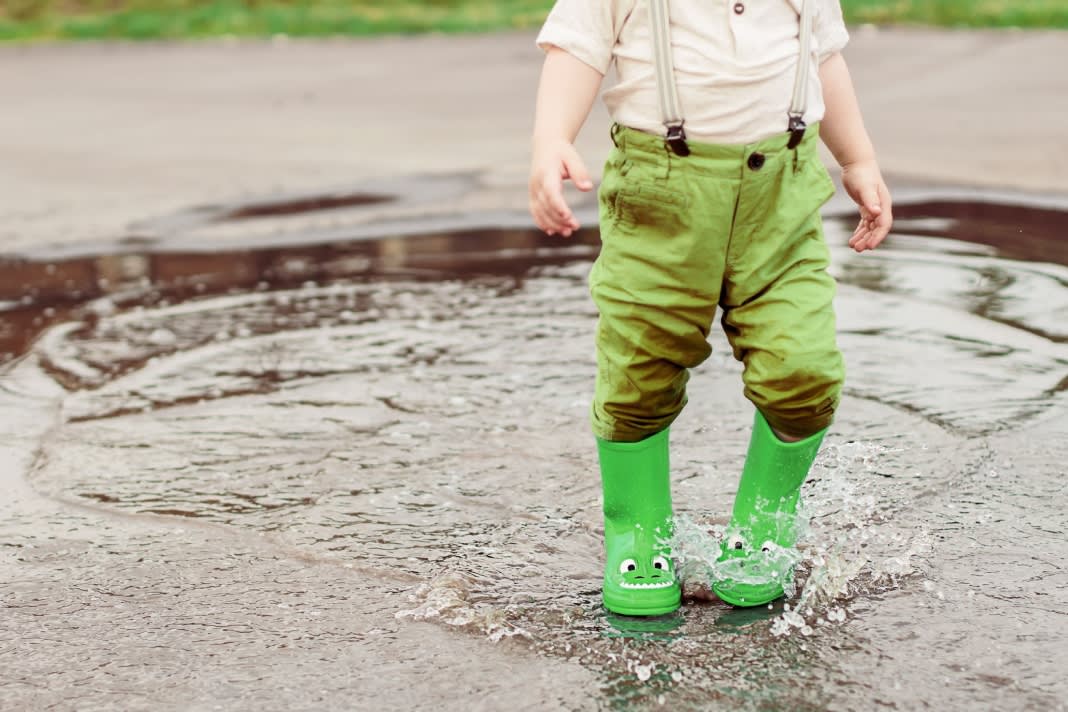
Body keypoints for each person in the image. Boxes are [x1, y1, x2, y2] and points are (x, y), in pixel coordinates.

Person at [528, 0, 892, 615]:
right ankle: (638, 529)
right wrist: (550, 141)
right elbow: (576, 48)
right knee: (641, 362)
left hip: (782, 197)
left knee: (802, 367)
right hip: (661, 197)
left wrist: (857, 160)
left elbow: (823, 55)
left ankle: (765, 523)